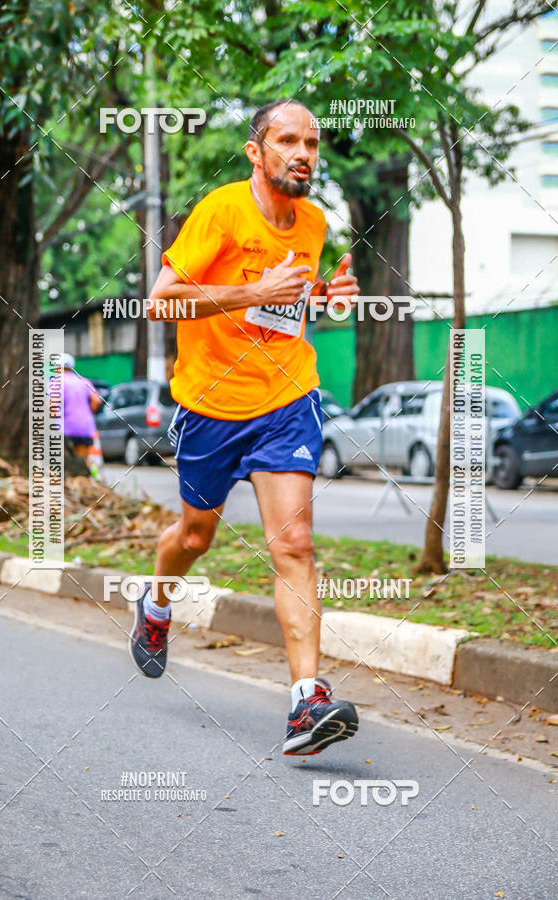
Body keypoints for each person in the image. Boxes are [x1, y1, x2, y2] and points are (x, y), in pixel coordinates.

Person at [130, 99, 360, 756]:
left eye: (312, 143)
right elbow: (161, 300)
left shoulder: (312, 222)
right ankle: (156, 603)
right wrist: (253, 294)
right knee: (196, 535)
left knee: (294, 541)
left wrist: (324, 301)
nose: (303, 154)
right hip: (209, 403)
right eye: (287, 140)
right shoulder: (222, 212)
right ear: (257, 152)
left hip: (286, 396)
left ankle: (304, 705)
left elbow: (291, 304)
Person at [53, 353, 102, 471]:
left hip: (65, 428)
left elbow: (52, 404)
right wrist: (90, 411)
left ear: (57, 367)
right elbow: (97, 400)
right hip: (85, 426)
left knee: (64, 461)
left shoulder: (57, 381)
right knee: (82, 459)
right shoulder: (83, 381)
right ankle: (88, 478)